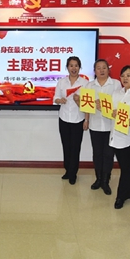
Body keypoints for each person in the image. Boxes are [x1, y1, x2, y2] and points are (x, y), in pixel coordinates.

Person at [84, 59, 121, 195]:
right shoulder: (89, 85)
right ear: (94, 71)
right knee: (97, 154)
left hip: (111, 125)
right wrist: (86, 120)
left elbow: (119, 104)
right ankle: (98, 179)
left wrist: (105, 105)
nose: (101, 70)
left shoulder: (116, 84)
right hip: (95, 125)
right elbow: (86, 105)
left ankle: (106, 181)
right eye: (98, 68)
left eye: (104, 67)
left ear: (108, 70)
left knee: (108, 154)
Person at [109, 65, 130, 209]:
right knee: (126, 167)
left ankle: (121, 196)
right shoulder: (116, 93)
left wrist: (127, 117)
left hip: (129, 137)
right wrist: (111, 112)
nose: (125, 78)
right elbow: (111, 110)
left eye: (128, 75)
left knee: (125, 168)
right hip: (115, 134)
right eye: (123, 75)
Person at [54, 56, 88, 185]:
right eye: (71, 65)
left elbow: (88, 104)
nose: (74, 68)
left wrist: (86, 120)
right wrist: (59, 100)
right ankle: (68, 170)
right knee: (66, 146)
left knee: (75, 147)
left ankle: (73, 173)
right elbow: (55, 97)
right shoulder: (61, 82)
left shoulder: (85, 83)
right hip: (63, 119)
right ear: (67, 67)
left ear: (80, 67)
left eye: (76, 66)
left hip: (78, 119)